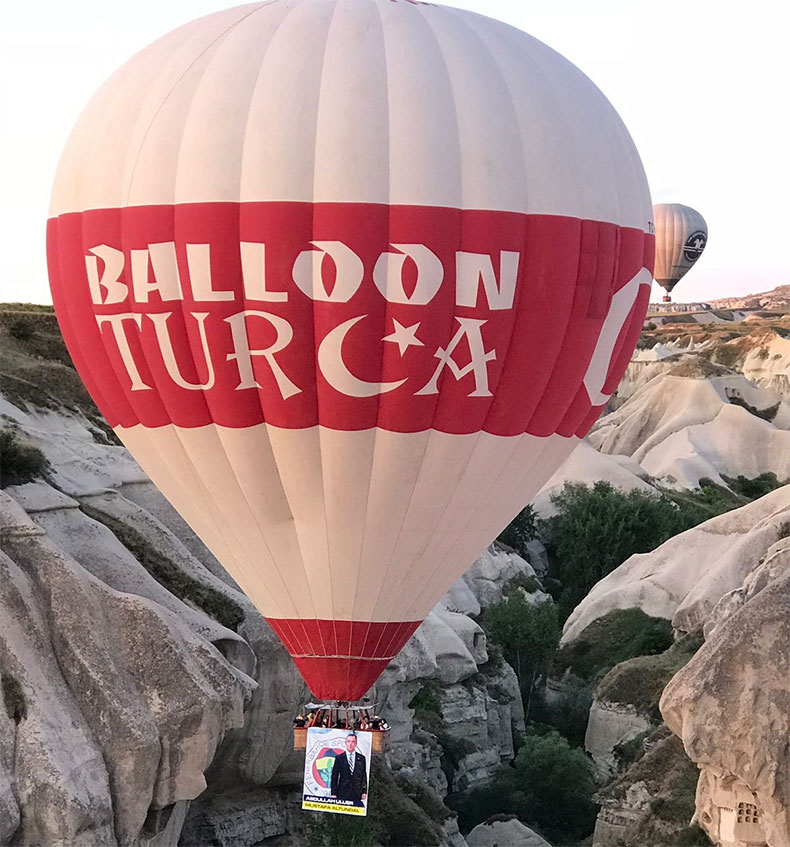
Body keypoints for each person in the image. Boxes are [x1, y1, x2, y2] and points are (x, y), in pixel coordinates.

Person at [330, 732, 367, 806]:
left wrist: (364, 791)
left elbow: (363, 775)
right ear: (345, 743)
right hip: (342, 791)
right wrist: (333, 793)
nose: (350, 744)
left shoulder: (361, 758)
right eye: (348, 741)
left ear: (356, 744)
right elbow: (334, 776)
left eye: (353, 742)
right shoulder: (339, 758)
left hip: (356, 792)